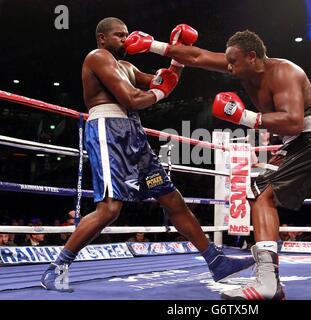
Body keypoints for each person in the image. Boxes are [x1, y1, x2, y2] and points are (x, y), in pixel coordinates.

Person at [125, 27, 311, 298]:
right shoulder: (243, 67)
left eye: (233, 62)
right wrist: (155, 45)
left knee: (262, 194)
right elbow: (198, 55)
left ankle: (268, 282)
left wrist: (243, 116)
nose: (228, 67)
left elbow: (294, 122)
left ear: (252, 57)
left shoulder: (284, 72)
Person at [40, 18, 254, 292]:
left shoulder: (127, 67)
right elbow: (133, 99)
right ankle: (56, 267)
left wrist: (178, 55)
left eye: (127, 34)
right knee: (110, 210)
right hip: (109, 132)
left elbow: (164, 82)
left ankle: (216, 261)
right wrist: (160, 89)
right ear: (102, 38)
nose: (125, 39)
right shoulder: (98, 57)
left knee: (171, 198)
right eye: (119, 35)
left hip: (134, 135)